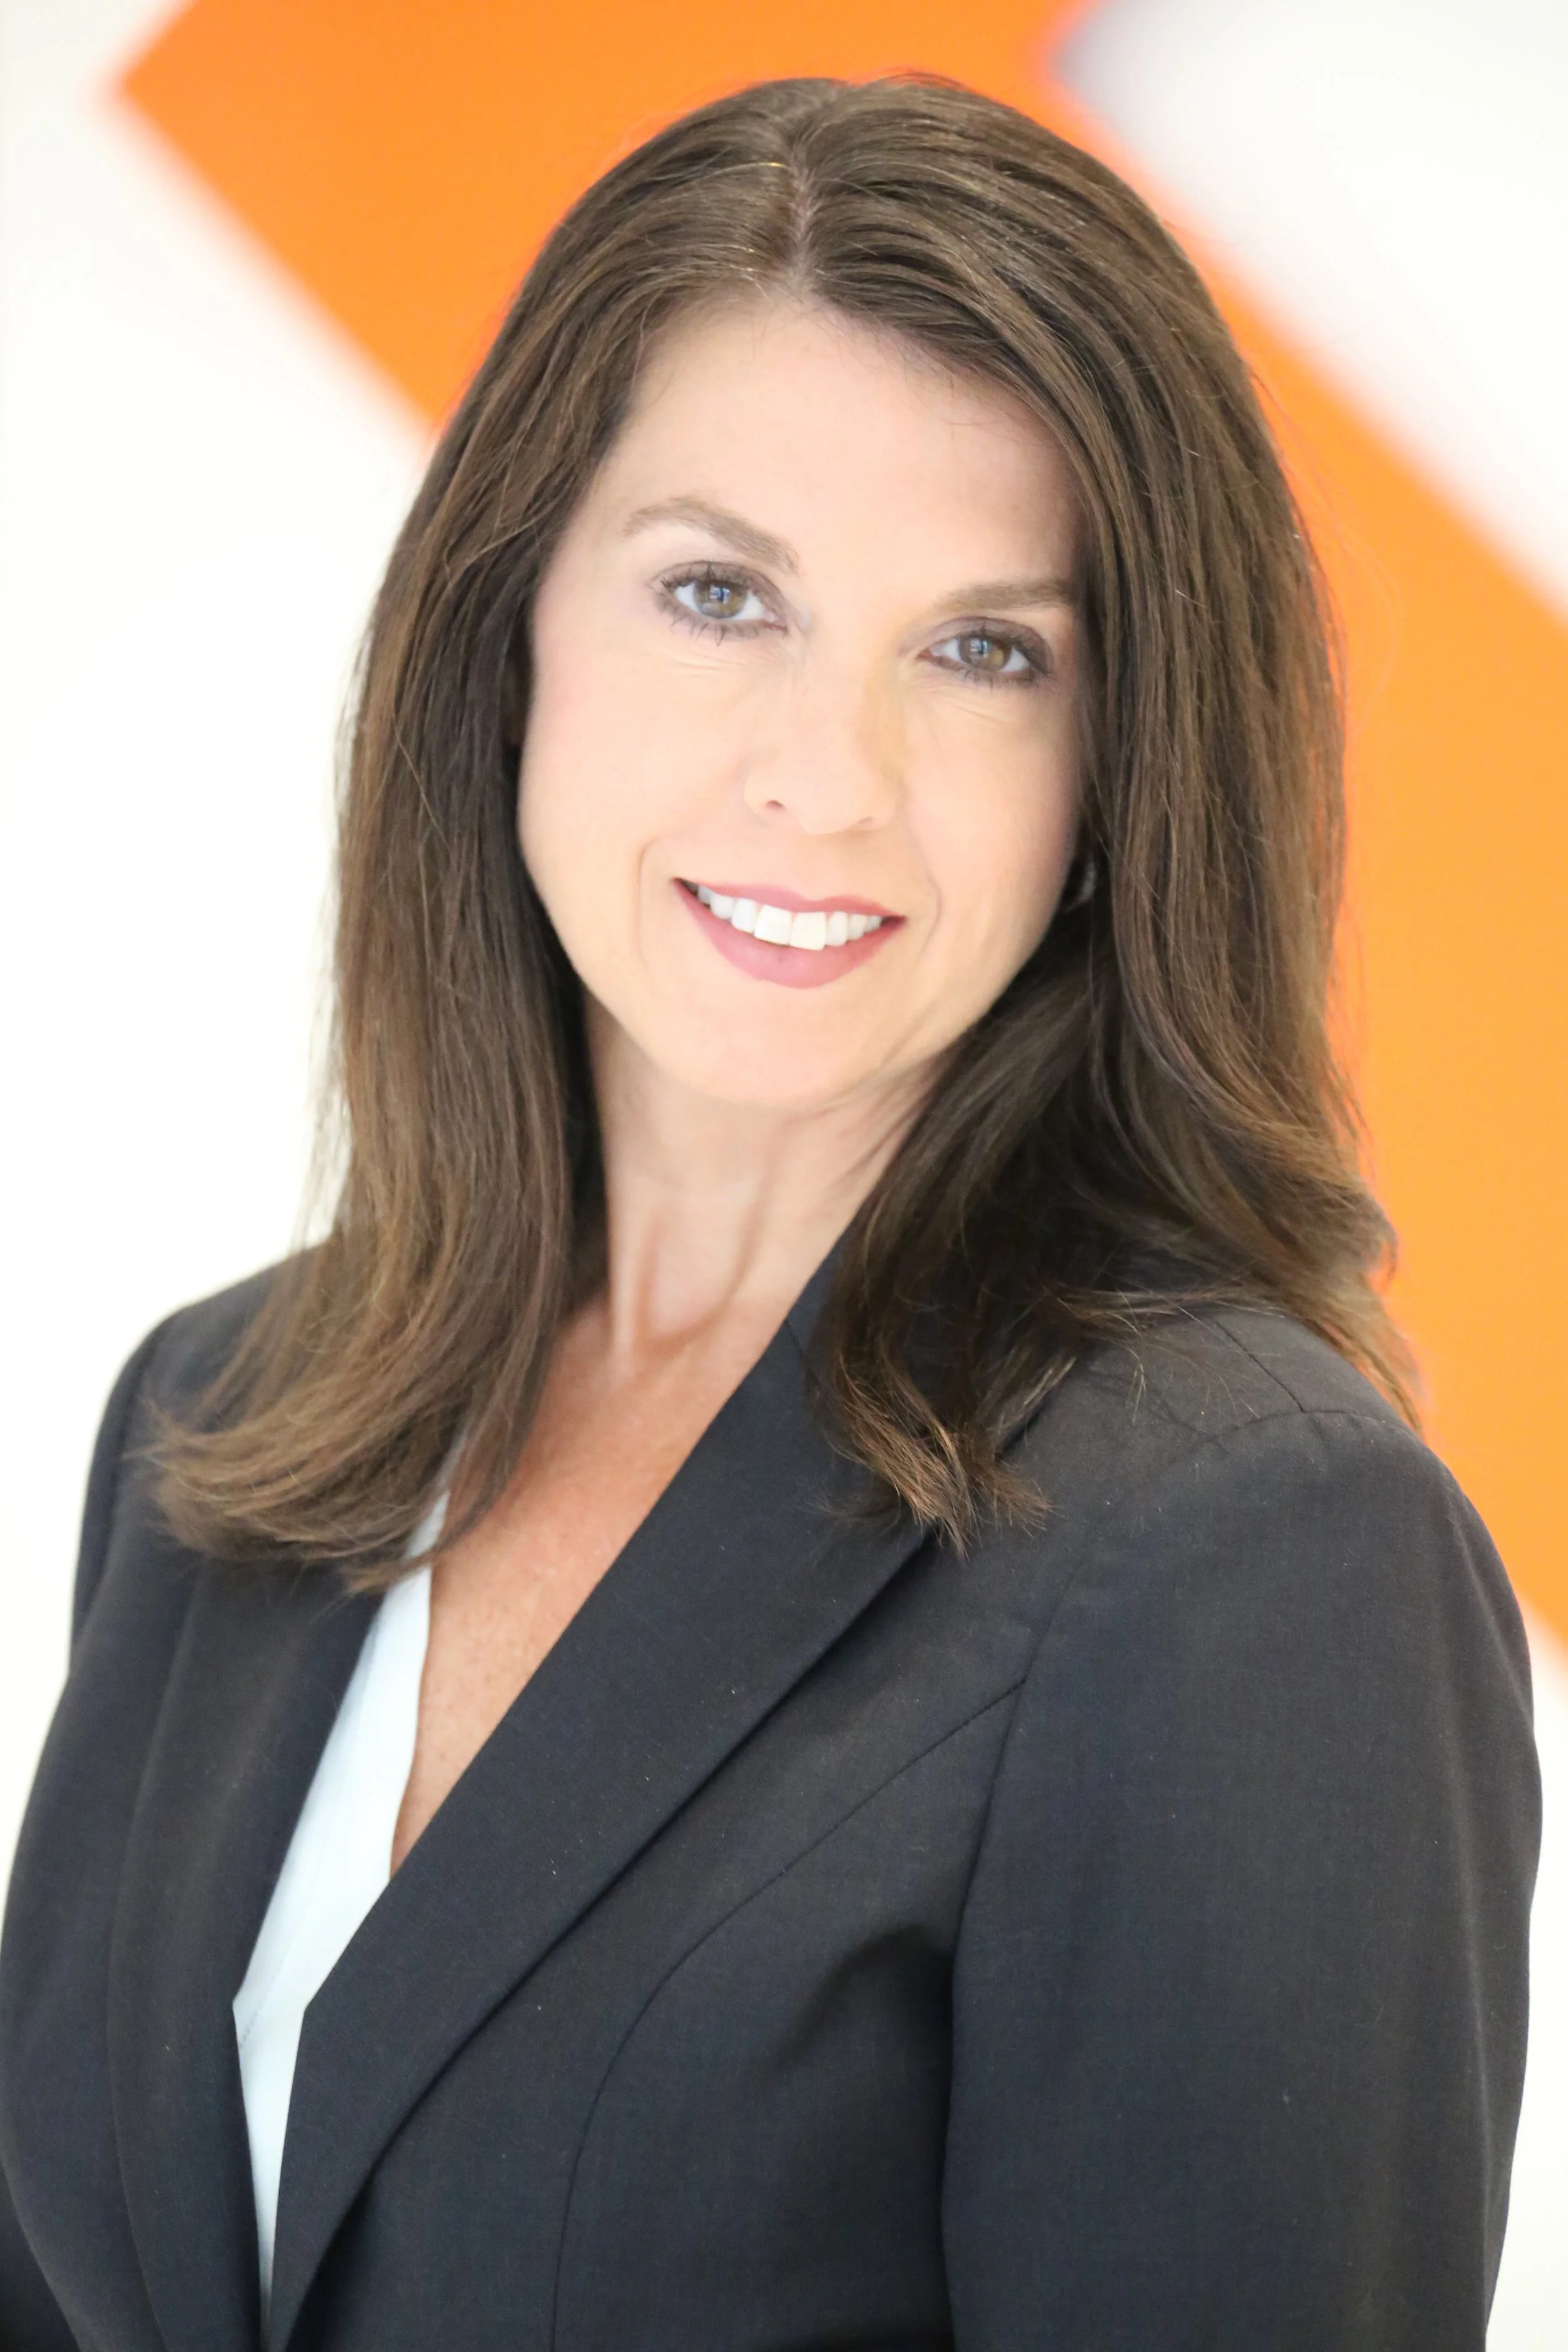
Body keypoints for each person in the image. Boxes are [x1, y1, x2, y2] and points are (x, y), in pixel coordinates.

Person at [0, 72, 1539, 2352]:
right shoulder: (219, 1415)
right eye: (718, 594)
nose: (825, 776)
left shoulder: (1256, 1554)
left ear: (1113, 772)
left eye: (985, 650)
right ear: (510, 627)